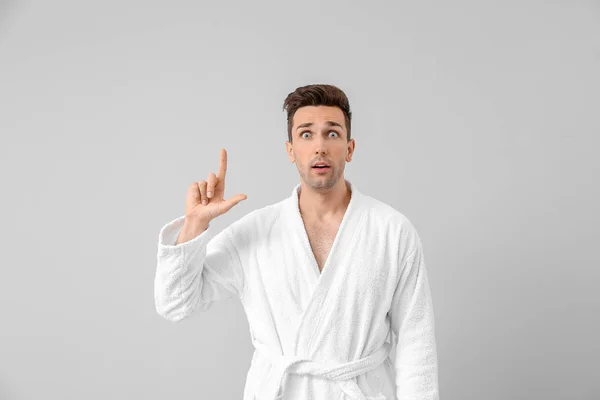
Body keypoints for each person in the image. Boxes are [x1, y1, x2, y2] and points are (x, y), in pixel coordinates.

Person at [154, 84, 440, 400]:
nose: (320, 147)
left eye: (332, 133)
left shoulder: (392, 231)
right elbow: (174, 302)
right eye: (306, 134)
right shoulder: (255, 232)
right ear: (290, 150)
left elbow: (417, 343)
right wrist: (195, 224)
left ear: (349, 148)